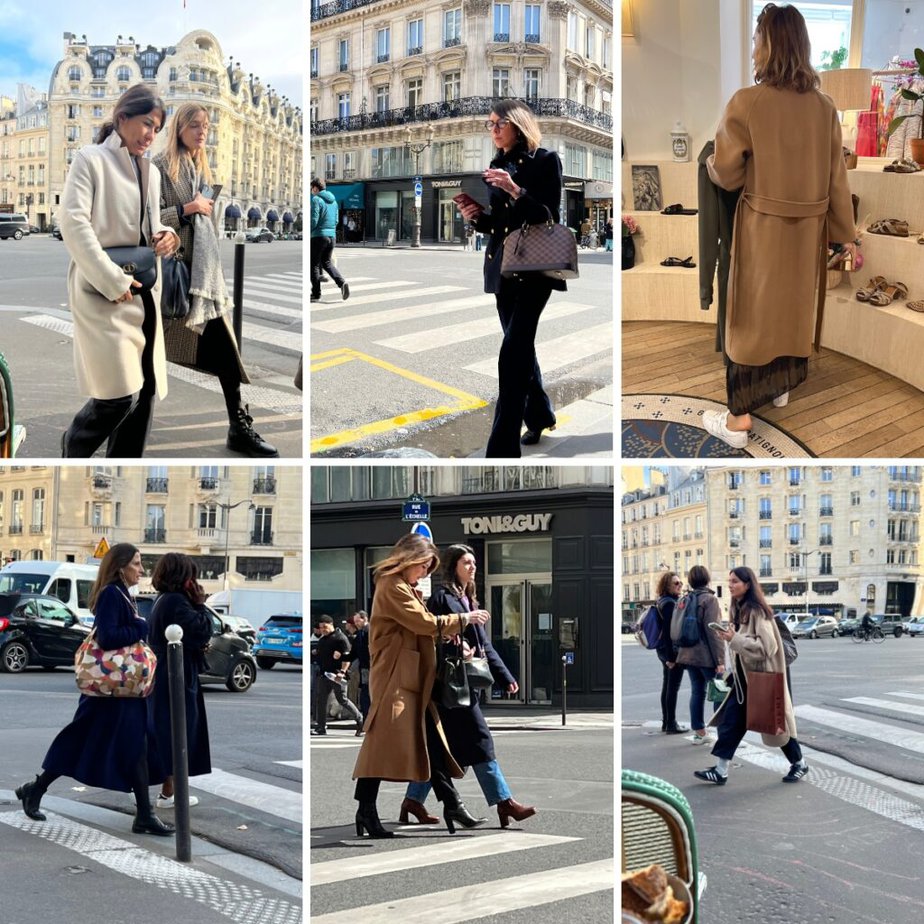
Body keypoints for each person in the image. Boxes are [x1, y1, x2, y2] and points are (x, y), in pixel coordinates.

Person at [701, 3, 857, 449]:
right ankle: (781, 386)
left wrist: (711, 161)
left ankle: (737, 421)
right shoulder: (825, 109)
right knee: (790, 312)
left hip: (764, 228)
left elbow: (727, 173)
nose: (752, 49)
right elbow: (836, 180)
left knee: (750, 318)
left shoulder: (747, 103)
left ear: (768, 44)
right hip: (806, 233)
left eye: (756, 39)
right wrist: (845, 235)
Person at [15, 544, 172, 835]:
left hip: (121, 692)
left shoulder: (123, 594)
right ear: (121, 566)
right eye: (137, 564)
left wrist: (138, 623)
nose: (141, 570)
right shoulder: (112, 594)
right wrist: (141, 627)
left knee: (138, 745)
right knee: (80, 741)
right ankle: (34, 789)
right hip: (109, 693)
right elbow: (109, 636)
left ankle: (145, 815)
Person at [59, 84, 180, 458]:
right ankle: (74, 446)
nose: (151, 135)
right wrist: (112, 281)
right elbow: (73, 224)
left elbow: (152, 224)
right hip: (104, 292)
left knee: (142, 396)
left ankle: (124, 465)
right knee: (118, 395)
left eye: (157, 128)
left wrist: (168, 236)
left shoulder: (151, 172)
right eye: (147, 123)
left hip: (143, 291)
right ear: (122, 118)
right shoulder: (90, 159)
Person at [153, 103, 278, 458]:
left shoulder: (199, 169)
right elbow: (146, 220)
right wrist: (186, 210)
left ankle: (238, 427)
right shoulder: (160, 168)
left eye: (206, 126)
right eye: (194, 125)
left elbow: (205, 227)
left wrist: (201, 209)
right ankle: (100, 424)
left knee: (225, 354)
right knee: (143, 360)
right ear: (179, 128)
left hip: (203, 282)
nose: (202, 131)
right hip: (176, 279)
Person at [352, 533, 490, 838]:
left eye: (428, 568)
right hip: (395, 677)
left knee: (432, 740)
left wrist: (450, 632)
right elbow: (423, 623)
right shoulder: (392, 585)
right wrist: (464, 619)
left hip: (411, 675)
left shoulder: (404, 586)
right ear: (409, 559)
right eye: (423, 566)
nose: (425, 573)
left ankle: (451, 803)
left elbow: (424, 626)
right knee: (380, 745)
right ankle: (366, 810)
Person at [399, 545, 537, 828]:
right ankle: (504, 803)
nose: (473, 567)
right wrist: (454, 647)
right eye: (467, 562)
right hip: (447, 686)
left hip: (462, 684)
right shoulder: (442, 598)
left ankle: (413, 800)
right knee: (479, 740)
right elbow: (429, 634)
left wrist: (505, 676)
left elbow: (483, 645)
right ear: (453, 566)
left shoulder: (467, 599)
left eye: (474, 563)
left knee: (443, 749)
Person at [458, 99, 565, 456]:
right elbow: (499, 226)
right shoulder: (496, 164)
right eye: (488, 125)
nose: (492, 130)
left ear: (517, 124)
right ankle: (539, 414)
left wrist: (515, 190)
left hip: (535, 268)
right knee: (519, 347)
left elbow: (548, 213)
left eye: (497, 124)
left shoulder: (545, 161)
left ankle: (501, 449)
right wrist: (475, 217)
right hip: (503, 266)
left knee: (511, 353)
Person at [694, 566, 809, 785]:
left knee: (776, 724)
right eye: (729, 581)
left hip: (761, 678)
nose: (730, 585)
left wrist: (733, 639)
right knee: (731, 723)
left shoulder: (757, 610)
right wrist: (729, 637)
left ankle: (800, 763)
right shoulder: (738, 608)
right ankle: (721, 770)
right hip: (744, 679)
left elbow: (768, 647)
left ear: (748, 584)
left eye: (735, 581)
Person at [147, 552, 213, 808]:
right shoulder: (177, 602)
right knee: (180, 731)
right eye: (192, 575)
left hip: (166, 672)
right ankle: (170, 794)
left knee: (172, 731)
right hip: (175, 676)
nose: (195, 581)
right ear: (184, 577)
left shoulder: (163, 599)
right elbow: (202, 630)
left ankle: (169, 791)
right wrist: (199, 604)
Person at [674, 566, 726, 744]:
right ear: (707, 579)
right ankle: (724, 734)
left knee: (697, 692)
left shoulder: (685, 598)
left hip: (687, 654)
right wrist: (720, 660)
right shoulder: (709, 599)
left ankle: (699, 733)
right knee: (719, 693)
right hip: (705, 656)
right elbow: (714, 631)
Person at [312, 615, 363, 737]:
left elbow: (347, 658)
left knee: (342, 700)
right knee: (321, 700)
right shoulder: (323, 640)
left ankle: (360, 719)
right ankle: (321, 727)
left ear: (331, 624)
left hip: (337, 675)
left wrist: (342, 672)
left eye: (325, 627)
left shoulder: (340, 638)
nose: (323, 629)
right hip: (324, 674)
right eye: (321, 628)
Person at [654, 572, 687, 735]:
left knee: (667, 685)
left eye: (680, 582)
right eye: (676, 583)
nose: (680, 585)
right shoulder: (668, 603)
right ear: (667, 585)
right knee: (672, 687)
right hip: (670, 651)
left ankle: (666, 722)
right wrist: (671, 658)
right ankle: (671, 723)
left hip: (663, 650)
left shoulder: (663, 600)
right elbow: (668, 631)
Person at [310, 177, 350, 302]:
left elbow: (314, 219)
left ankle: (316, 294)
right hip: (332, 236)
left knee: (314, 265)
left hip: (319, 236)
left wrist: (310, 230)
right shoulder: (334, 202)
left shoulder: (316, 199)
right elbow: (337, 220)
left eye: (311, 188)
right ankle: (342, 283)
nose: (311, 191)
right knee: (327, 263)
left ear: (315, 188)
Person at [347, 610, 371, 723]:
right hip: (364, 667)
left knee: (366, 695)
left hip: (370, 667)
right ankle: (366, 720)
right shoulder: (360, 634)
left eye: (357, 621)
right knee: (364, 695)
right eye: (355, 621)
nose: (355, 623)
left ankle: (367, 721)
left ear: (364, 619)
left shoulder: (370, 631)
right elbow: (354, 654)